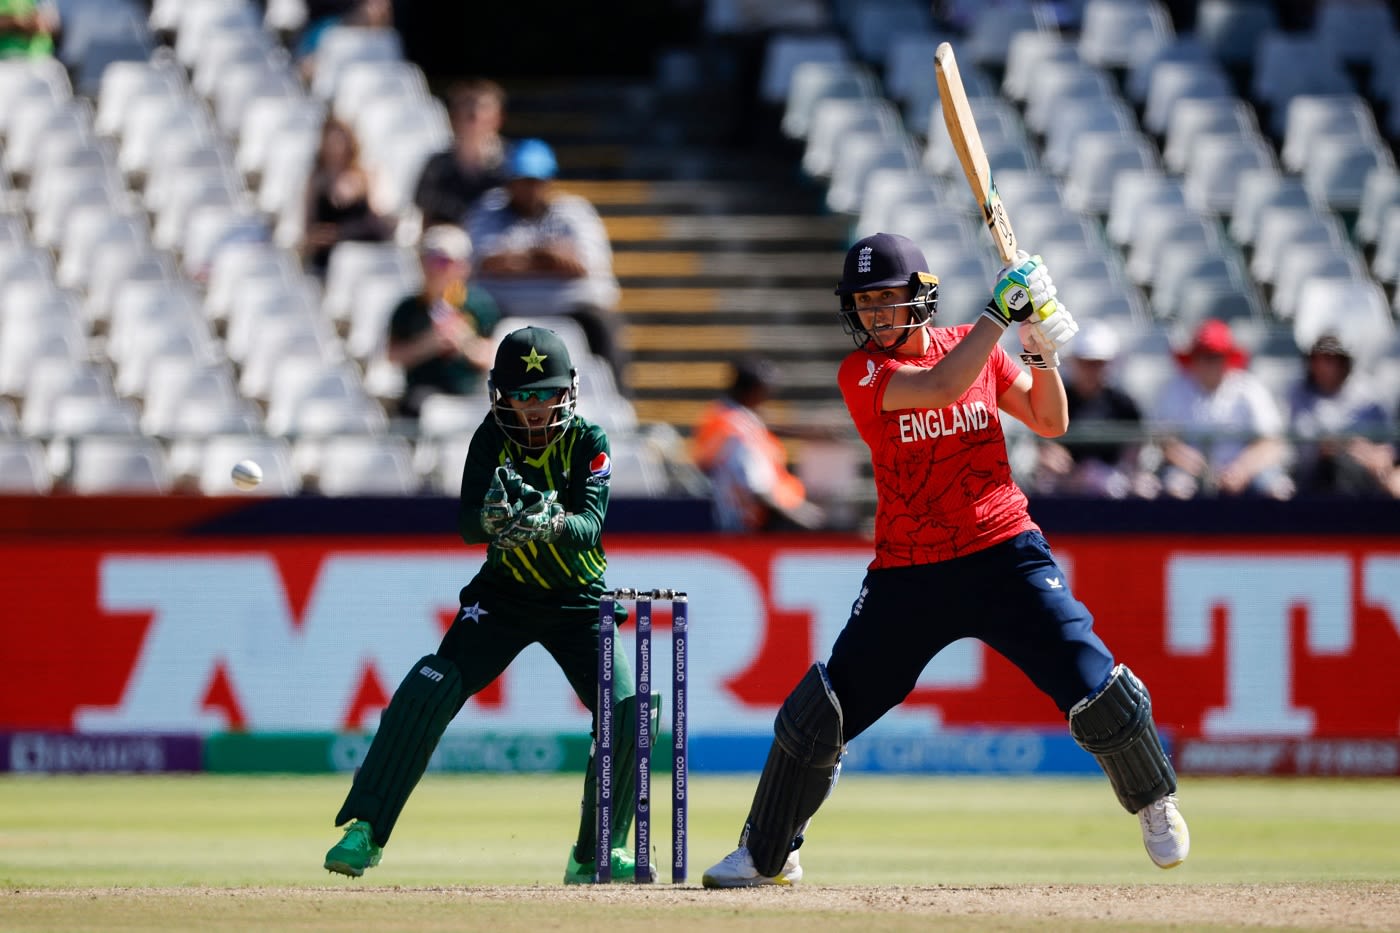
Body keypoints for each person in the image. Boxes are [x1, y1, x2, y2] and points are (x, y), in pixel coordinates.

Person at [700, 232, 1189, 888]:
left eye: (887, 298)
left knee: (1093, 679)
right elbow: (938, 385)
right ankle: (768, 853)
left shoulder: (974, 347)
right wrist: (1001, 314)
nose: (875, 313)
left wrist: (1040, 353)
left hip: (1004, 553)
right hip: (910, 571)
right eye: (864, 301)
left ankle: (1155, 800)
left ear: (920, 297)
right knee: (823, 711)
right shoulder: (864, 373)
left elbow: (1050, 421)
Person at [324, 325, 653, 884]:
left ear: (567, 391)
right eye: (520, 396)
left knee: (629, 709)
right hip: (502, 599)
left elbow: (590, 525)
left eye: (542, 394)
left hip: (578, 600)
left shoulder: (589, 440)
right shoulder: (489, 438)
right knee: (428, 687)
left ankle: (596, 852)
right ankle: (366, 830)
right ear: (501, 395)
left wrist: (547, 522)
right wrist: (493, 522)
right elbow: (466, 525)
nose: (531, 408)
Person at [466, 137, 628, 395]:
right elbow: (487, 261)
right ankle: (470, 396)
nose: (529, 189)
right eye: (521, 181)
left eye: (535, 182)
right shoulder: (488, 210)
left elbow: (583, 265)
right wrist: (547, 255)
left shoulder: (574, 212)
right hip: (501, 309)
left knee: (603, 323)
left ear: (549, 181)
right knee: (468, 318)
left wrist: (519, 258)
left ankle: (618, 398)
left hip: (572, 308)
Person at [1149, 318, 1293, 500]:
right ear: (1193, 358)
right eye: (1202, 355)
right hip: (1190, 469)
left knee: (1278, 488)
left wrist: (1242, 469)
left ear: (1226, 358)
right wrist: (1198, 466)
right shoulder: (1175, 388)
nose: (1208, 363)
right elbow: (1163, 440)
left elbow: (1273, 443)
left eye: (1215, 356)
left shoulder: (1248, 388)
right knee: (1175, 487)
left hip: (1245, 470)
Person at [690, 356, 825, 531]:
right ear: (753, 391)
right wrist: (803, 516)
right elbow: (757, 487)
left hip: (757, 515)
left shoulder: (726, 416)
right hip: (757, 521)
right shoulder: (736, 430)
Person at [386, 224, 502, 418]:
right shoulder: (408, 307)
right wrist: (428, 344)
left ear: (463, 266)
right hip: (421, 393)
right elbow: (392, 357)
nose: (433, 268)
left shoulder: (479, 304)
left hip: (468, 392)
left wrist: (463, 341)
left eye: (443, 262)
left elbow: (493, 358)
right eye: (428, 258)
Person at [1033, 321, 1158, 498]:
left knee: (1144, 487)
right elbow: (1041, 441)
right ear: (1074, 362)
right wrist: (1051, 455)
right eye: (1086, 362)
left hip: (1114, 480)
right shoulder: (1057, 397)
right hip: (1063, 481)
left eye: (1098, 363)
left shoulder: (1123, 402)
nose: (1092, 370)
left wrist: (1118, 472)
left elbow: (1137, 444)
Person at [1286, 333, 1397, 497]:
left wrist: (1355, 449)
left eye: (1333, 359)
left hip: (1361, 478)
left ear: (1345, 362)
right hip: (1310, 476)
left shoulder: (1369, 397)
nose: (1326, 366)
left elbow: (1387, 451)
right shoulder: (1296, 395)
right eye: (1321, 358)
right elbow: (1288, 446)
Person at [300, 115, 394, 279]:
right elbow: (308, 230)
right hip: (328, 262)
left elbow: (376, 221)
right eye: (330, 139)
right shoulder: (315, 182)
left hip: (365, 255)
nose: (335, 145)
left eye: (340, 139)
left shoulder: (366, 177)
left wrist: (340, 234)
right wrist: (319, 238)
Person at [413, 78, 509, 228]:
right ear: (453, 116)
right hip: (449, 237)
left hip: (500, 238)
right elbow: (425, 213)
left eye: (483, 106)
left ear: (499, 117)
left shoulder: (515, 162)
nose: (474, 113)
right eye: (467, 105)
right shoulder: (436, 165)